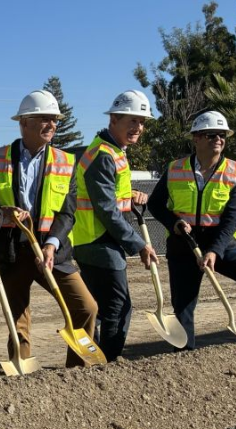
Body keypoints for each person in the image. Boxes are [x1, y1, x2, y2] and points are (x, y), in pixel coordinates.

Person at [0, 90, 98, 367]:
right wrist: (3, 211)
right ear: (24, 122)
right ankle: (20, 371)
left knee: (85, 307)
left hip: (51, 252)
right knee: (17, 320)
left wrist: (52, 244)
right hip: (12, 248)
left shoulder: (65, 161)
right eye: (44, 119)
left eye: (55, 120)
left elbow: (67, 211)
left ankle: (76, 369)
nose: (52, 125)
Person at [146, 111, 236, 349]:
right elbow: (155, 204)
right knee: (184, 306)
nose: (219, 139)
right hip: (183, 244)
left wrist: (215, 251)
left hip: (220, 243)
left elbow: (233, 218)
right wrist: (173, 223)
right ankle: (184, 355)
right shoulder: (175, 169)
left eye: (222, 135)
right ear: (196, 138)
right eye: (212, 134)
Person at [73, 90, 157, 361]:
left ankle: (84, 360)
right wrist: (138, 244)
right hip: (98, 240)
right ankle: (107, 362)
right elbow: (106, 209)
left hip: (95, 239)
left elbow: (108, 196)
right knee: (118, 307)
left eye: (142, 122)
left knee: (93, 309)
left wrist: (129, 196)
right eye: (132, 120)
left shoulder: (113, 150)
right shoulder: (104, 154)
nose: (138, 127)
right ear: (114, 118)